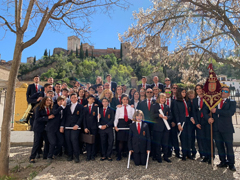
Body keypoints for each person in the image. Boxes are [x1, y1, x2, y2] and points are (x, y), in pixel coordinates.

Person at [206, 86, 236, 171]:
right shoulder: (215, 102)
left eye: (225, 91)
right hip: (216, 128)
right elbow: (210, 111)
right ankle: (223, 161)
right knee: (219, 146)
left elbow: (230, 113)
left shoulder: (232, 102)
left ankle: (231, 164)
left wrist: (217, 111)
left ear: (229, 94)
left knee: (229, 147)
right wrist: (209, 117)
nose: (223, 92)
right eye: (222, 90)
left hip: (227, 129)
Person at [60, 93, 84, 163]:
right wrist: (62, 126)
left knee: (74, 140)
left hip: (75, 127)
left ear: (77, 98)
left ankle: (76, 156)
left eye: (75, 97)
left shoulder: (80, 106)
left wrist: (77, 125)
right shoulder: (67, 107)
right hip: (67, 126)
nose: (73, 99)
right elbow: (64, 117)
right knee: (68, 141)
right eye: (72, 97)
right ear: (70, 99)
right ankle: (70, 155)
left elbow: (81, 117)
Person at [29, 97, 53, 163]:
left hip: (46, 128)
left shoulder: (50, 108)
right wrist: (47, 118)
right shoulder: (39, 108)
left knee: (47, 141)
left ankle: (45, 155)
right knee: (37, 142)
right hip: (38, 128)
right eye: (47, 100)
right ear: (44, 101)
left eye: (50, 100)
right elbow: (37, 118)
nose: (49, 102)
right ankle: (32, 157)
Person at [193, 84, 212, 163]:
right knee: (202, 140)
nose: (198, 90)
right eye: (197, 89)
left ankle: (211, 156)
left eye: (200, 88)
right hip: (199, 122)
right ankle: (205, 156)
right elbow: (194, 112)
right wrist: (196, 123)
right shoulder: (194, 100)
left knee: (208, 139)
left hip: (207, 121)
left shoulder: (207, 98)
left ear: (202, 89)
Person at [151, 93, 172, 163]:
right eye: (161, 98)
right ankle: (158, 157)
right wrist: (158, 115)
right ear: (159, 99)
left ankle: (165, 156)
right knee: (158, 143)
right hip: (157, 128)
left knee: (165, 143)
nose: (163, 99)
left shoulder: (167, 107)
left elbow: (171, 116)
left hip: (165, 128)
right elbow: (151, 115)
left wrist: (167, 117)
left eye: (164, 98)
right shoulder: (154, 106)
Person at [174, 88, 193, 161]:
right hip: (182, 122)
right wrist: (178, 124)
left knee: (189, 138)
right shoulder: (176, 102)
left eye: (185, 92)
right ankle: (184, 154)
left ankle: (189, 153)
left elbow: (190, 111)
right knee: (183, 138)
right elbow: (176, 113)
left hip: (188, 121)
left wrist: (191, 118)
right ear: (179, 93)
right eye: (182, 92)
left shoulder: (187, 101)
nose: (184, 93)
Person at [46, 96, 66, 162]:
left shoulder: (64, 108)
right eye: (60, 101)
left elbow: (63, 118)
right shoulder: (54, 106)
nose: (61, 103)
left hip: (58, 128)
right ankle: (49, 156)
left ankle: (55, 153)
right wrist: (61, 107)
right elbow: (54, 112)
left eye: (62, 101)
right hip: (51, 128)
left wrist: (62, 126)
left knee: (61, 141)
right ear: (57, 101)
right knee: (53, 142)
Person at [114, 94, 135, 161]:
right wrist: (115, 126)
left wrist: (133, 126)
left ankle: (130, 155)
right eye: (124, 99)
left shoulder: (131, 108)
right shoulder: (119, 108)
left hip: (129, 124)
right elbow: (116, 117)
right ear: (121, 100)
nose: (125, 101)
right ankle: (119, 155)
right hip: (121, 124)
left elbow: (133, 117)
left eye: (126, 99)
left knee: (129, 140)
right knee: (121, 140)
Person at [165, 88, 181, 158]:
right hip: (165, 123)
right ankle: (169, 152)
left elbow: (176, 112)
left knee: (175, 138)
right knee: (167, 139)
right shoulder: (162, 101)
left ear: (171, 93)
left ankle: (177, 153)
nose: (167, 93)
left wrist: (174, 121)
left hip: (173, 123)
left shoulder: (174, 101)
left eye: (169, 92)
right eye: (166, 92)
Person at [83, 95, 99, 161]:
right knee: (88, 141)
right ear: (88, 99)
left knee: (93, 141)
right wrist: (85, 127)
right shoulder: (85, 107)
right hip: (87, 126)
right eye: (90, 99)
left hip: (94, 126)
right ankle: (88, 155)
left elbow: (97, 118)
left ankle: (93, 155)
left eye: (93, 99)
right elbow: (83, 118)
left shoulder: (96, 107)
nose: (91, 100)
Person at [187, 90, 197, 158]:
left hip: (198, 121)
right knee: (191, 137)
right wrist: (191, 118)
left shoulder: (196, 101)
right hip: (190, 122)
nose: (190, 95)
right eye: (189, 94)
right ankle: (192, 151)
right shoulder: (187, 102)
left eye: (192, 93)